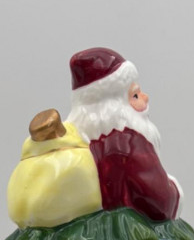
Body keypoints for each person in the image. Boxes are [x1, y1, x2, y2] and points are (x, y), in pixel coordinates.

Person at [66, 47, 182, 222]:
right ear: (115, 107)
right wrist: (174, 188)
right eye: (135, 95)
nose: (145, 97)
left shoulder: (80, 142)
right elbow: (159, 201)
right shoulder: (129, 144)